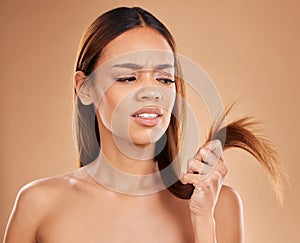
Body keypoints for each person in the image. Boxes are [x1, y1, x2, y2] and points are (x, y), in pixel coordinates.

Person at [4, 7, 285, 243]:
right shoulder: (38, 204)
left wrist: (202, 222)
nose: (152, 92)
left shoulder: (219, 206)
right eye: (128, 78)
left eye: (164, 79)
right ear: (84, 88)